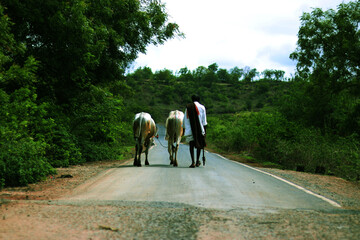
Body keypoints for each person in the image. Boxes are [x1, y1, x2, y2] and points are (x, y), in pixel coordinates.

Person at [182, 95, 207, 168]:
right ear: (199, 100)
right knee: (199, 145)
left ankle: (192, 162)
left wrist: (184, 129)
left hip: (190, 130)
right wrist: (204, 131)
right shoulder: (202, 107)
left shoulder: (188, 108)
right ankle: (197, 161)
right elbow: (204, 121)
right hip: (200, 130)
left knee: (191, 145)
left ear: (192, 100)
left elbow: (185, 119)